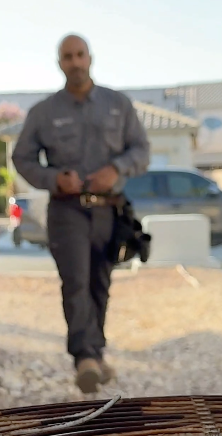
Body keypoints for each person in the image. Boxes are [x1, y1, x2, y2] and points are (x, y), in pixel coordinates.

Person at [11, 34, 149, 393]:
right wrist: (54, 178)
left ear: (90, 58)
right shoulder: (43, 112)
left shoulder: (118, 104)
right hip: (66, 210)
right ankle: (84, 357)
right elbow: (22, 158)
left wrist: (117, 170)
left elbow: (141, 149)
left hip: (109, 212)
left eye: (80, 54)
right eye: (67, 57)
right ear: (59, 64)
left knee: (99, 285)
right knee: (75, 282)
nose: (75, 62)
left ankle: (96, 353)